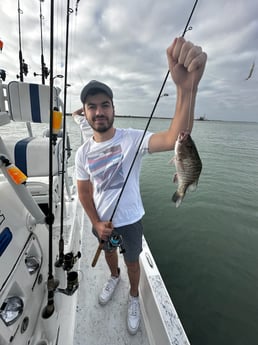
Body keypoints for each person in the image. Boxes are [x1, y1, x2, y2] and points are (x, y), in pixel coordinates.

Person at [75, 37, 207, 335]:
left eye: (104, 105)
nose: (99, 112)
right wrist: (96, 222)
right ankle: (113, 277)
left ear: (113, 108)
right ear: (84, 112)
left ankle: (133, 295)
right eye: (91, 107)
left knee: (132, 261)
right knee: (110, 254)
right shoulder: (82, 154)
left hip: (131, 221)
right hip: (103, 223)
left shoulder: (132, 139)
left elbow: (176, 136)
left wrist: (186, 88)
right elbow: (84, 192)